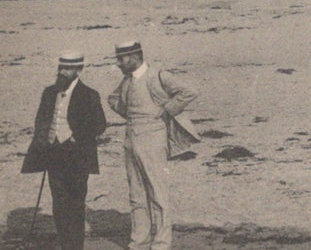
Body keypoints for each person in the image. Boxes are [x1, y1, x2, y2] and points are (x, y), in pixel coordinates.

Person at [108, 41, 199, 250]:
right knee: (136, 193)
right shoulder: (127, 79)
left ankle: (161, 244)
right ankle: (139, 242)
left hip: (153, 139)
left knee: (158, 193)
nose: (119, 64)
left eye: (121, 59)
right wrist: (130, 115)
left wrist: (167, 109)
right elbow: (113, 99)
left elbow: (190, 91)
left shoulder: (158, 75)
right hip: (130, 139)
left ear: (133, 57)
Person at [21, 51, 107, 250]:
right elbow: (41, 120)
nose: (62, 72)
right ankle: (64, 244)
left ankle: (75, 246)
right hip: (54, 154)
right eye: (61, 68)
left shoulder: (89, 94)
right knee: (59, 203)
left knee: (75, 203)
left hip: (77, 155)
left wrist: (78, 137)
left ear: (78, 70)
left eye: (68, 69)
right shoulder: (49, 92)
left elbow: (100, 124)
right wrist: (45, 142)